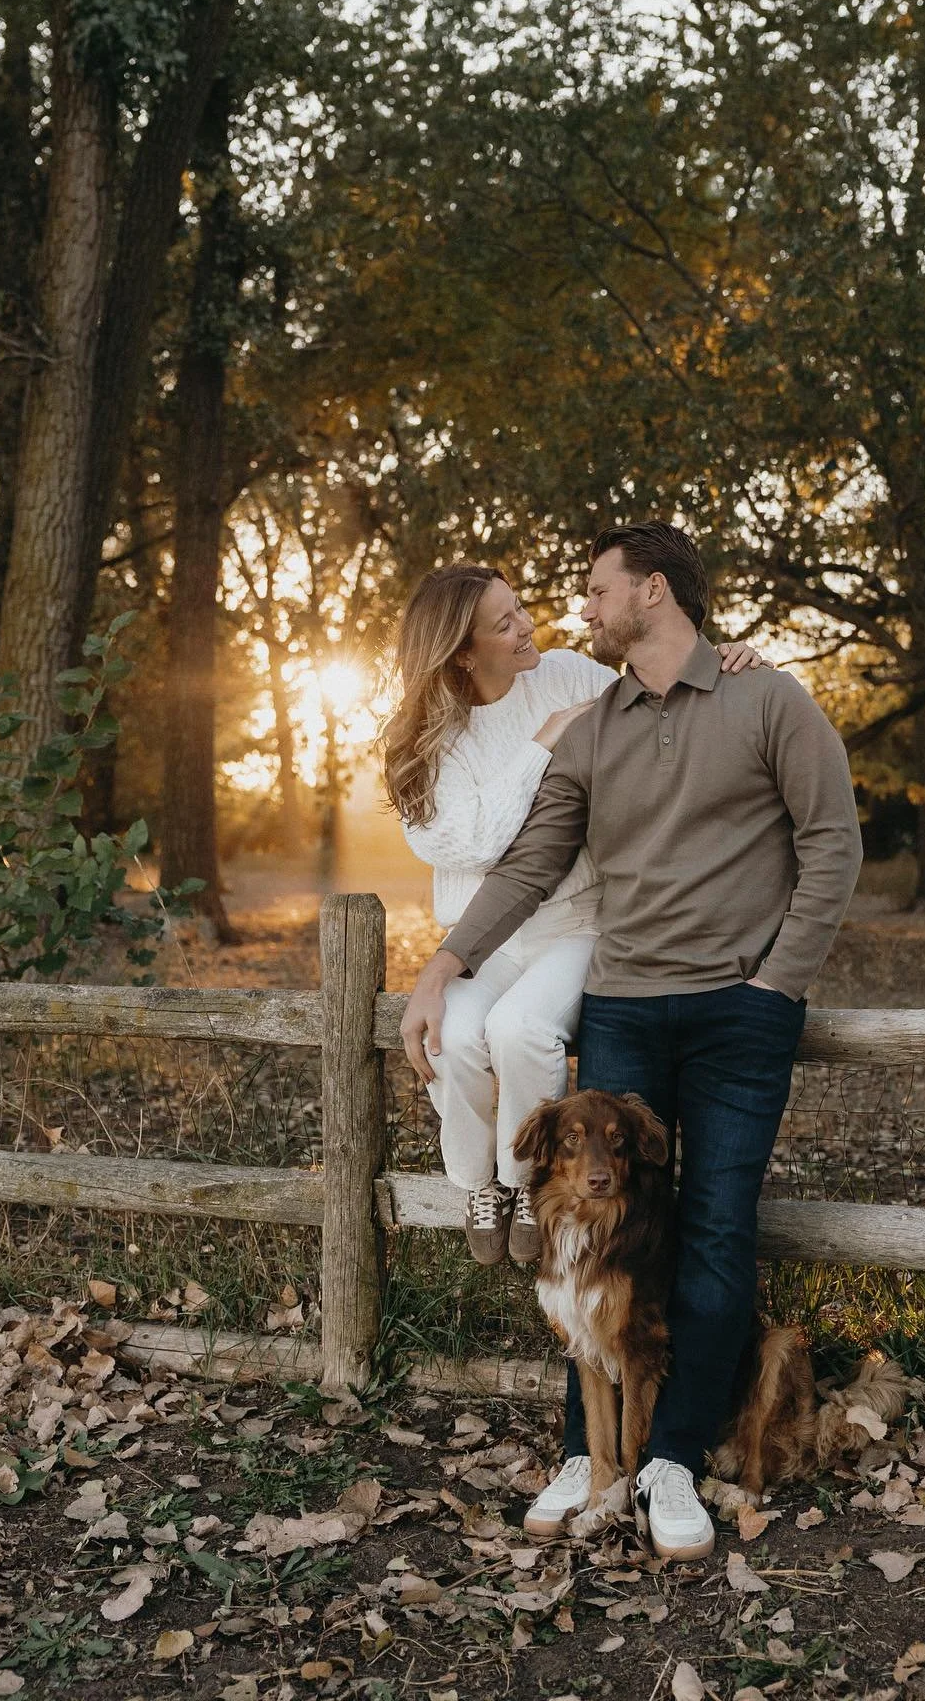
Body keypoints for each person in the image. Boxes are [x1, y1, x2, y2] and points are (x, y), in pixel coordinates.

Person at [399, 524, 863, 1561]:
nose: (585, 610)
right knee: (604, 1232)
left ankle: (674, 1460)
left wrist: (775, 983)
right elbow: (528, 868)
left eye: (599, 591)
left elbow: (832, 841)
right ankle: (588, 1453)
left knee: (714, 1225)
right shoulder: (595, 727)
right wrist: (440, 968)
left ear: (651, 593)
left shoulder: (768, 699)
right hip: (621, 1006)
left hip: (739, 1017)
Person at [380, 563, 767, 1268]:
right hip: (485, 940)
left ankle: (531, 1184)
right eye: (504, 624)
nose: (527, 625)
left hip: (574, 925)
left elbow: (665, 698)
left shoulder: (567, 677)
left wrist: (734, 661)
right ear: (461, 652)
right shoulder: (427, 746)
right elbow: (479, 840)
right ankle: (481, 1185)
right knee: (453, 1038)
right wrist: (546, 744)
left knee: (522, 1029)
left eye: (519, 606)